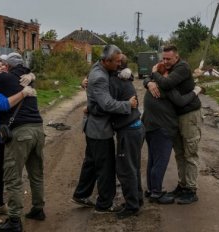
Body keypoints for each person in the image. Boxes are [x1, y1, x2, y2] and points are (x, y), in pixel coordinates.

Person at [0, 52, 44, 232]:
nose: (2, 68)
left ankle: (14, 220)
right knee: (33, 173)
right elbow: (2, 103)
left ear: (9, 66)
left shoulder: (6, 79)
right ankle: (37, 209)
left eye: (4, 65)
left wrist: (27, 81)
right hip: (35, 128)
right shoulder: (26, 79)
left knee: (12, 175)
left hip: (18, 131)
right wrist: (28, 83)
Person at [71, 45, 138, 214]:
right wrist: (127, 105)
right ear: (106, 61)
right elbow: (107, 104)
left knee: (91, 163)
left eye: (120, 61)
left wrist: (125, 71)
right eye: (117, 62)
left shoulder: (98, 66)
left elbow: (96, 80)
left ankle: (81, 194)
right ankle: (105, 204)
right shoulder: (100, 77)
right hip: (99, 130)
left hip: (93, 127)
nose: (119, 64)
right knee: (105, 167)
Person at [87, 54, 144, 219]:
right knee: (133, 167)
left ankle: (132, 206)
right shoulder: (122, 79)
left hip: (128, 131)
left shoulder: (113, 82)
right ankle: (137, 199)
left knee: (125, 170)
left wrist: (90, 108)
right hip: (135, 128)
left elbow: (106, 106)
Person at [145, 45, 202, 204]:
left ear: (177, 57)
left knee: (190, 152)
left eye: (168, 59)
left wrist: (154, 75)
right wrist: (149, 82)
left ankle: (191, 189)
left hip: (189, 115)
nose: (165, 61)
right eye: (163, 58)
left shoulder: (182, 67)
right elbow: (152, 78)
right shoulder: (165, 69)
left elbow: (167, 84)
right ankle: (182, 185)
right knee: (179, 153)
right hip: (176, 117)